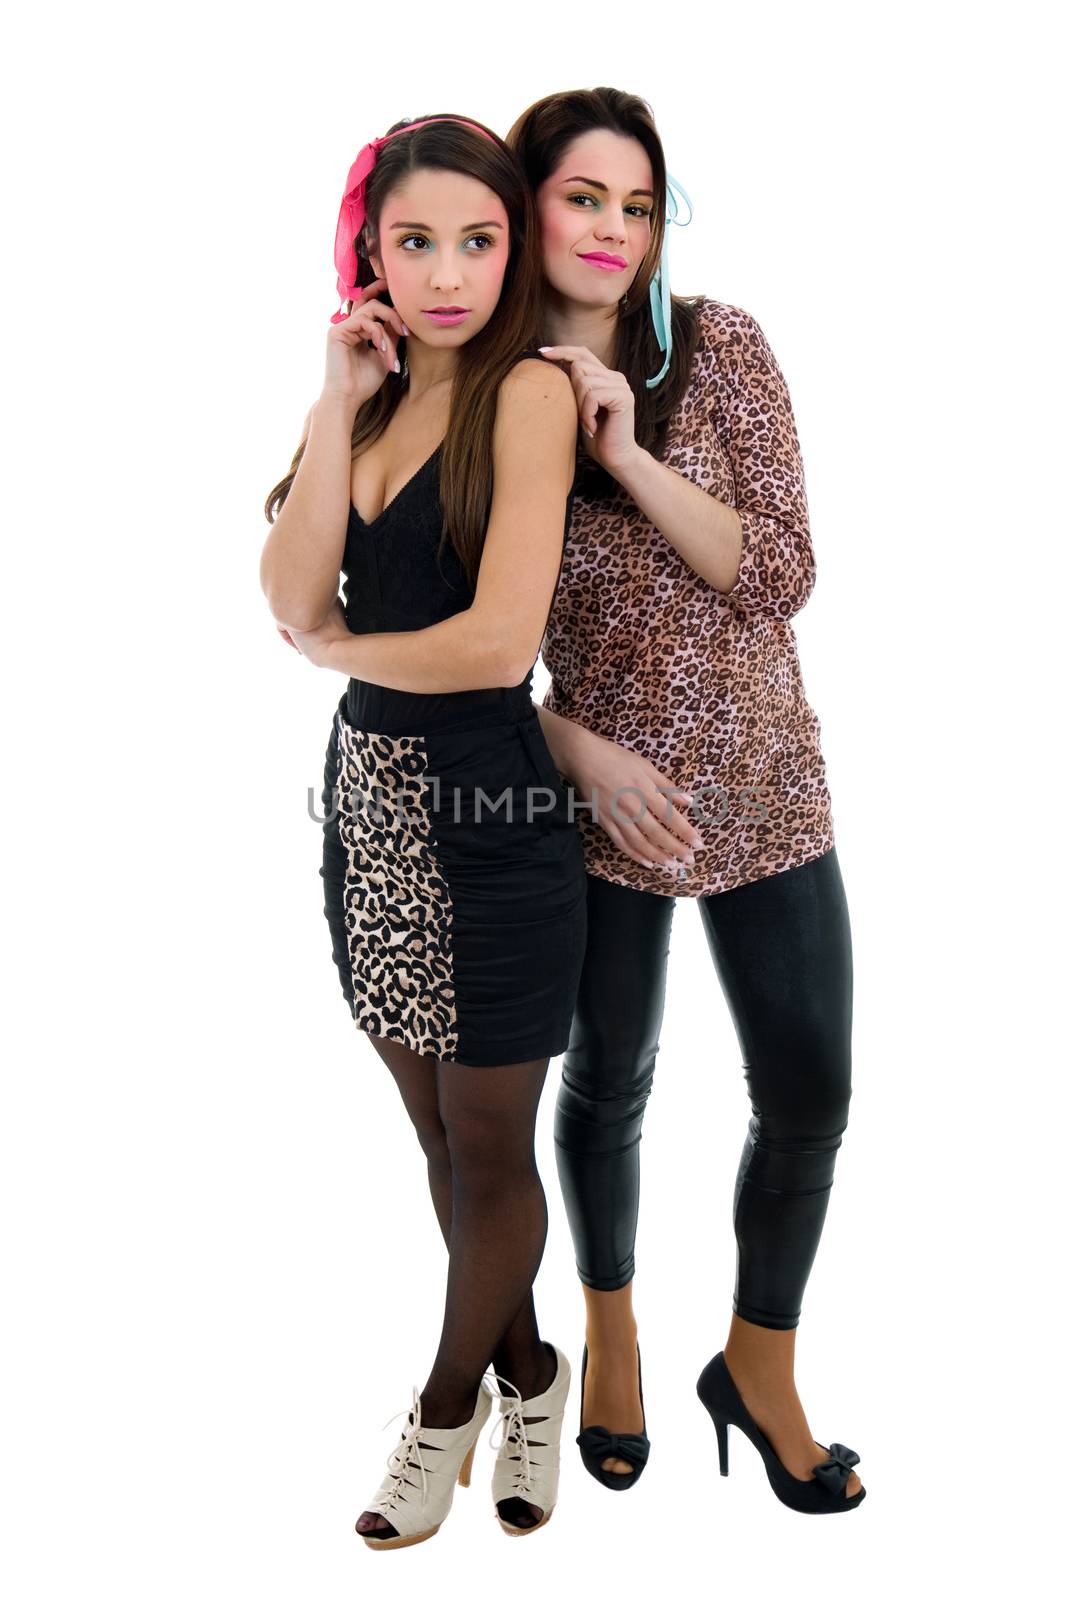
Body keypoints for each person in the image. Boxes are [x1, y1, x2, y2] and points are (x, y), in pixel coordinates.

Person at [504, 87, 867, 1513]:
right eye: (582, 198)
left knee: (812, 1092)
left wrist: (627, 456)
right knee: (609, 1088)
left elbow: (779, 572)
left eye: (635, 204)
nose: (609, 229)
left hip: (770, 787)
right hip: (599, 812)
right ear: (529, 205)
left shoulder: (720, 347)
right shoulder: (483, 394)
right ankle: (614, 1331)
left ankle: (760, 1363)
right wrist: (569, 743)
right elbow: (448, 642)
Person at [260, 114, 587, 1548]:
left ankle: (445, 1403)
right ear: (371, 255)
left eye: (479, 238)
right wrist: (336, 400)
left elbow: (496, 641)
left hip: (495, 812)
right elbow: (286, 584)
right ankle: (532, 1369)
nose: (449, 272)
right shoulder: (373, 396)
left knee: (488, 1137)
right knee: (435, 1143)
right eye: (416, 242)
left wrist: (338, 651)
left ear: (511, 246)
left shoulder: (525, 395)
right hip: (373, 815)